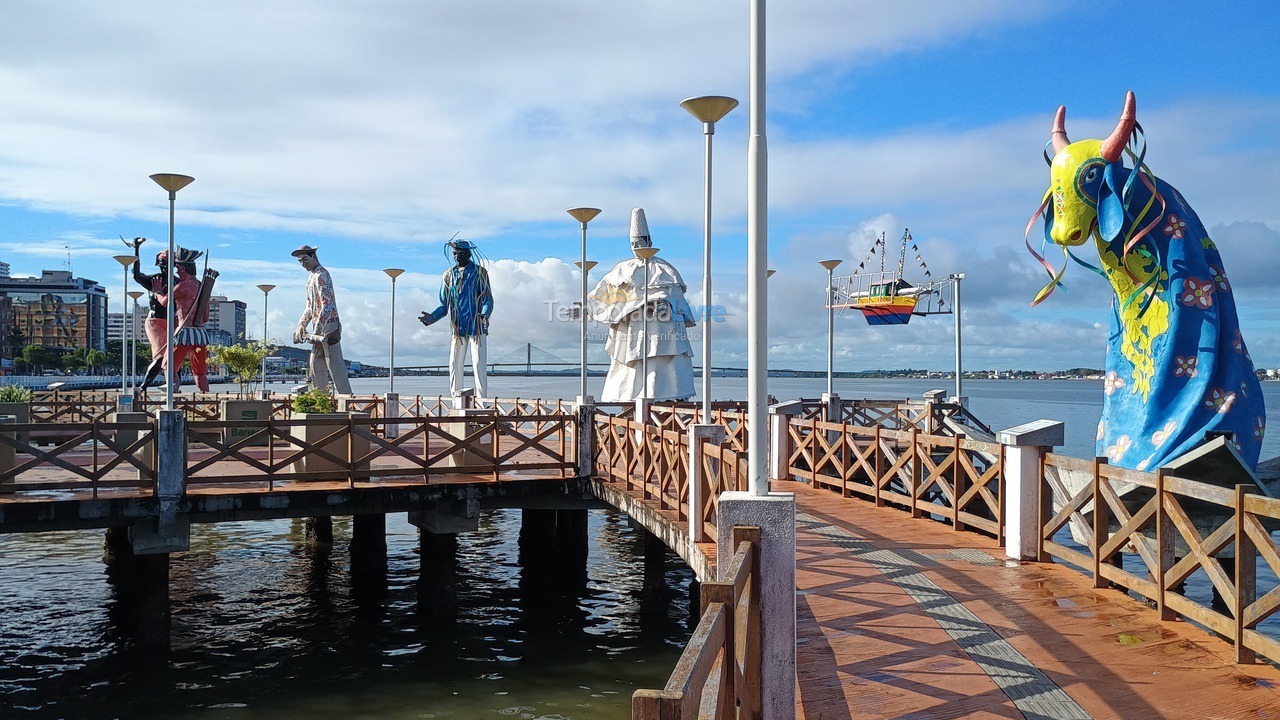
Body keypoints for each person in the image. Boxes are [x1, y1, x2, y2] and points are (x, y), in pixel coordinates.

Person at [585, 208, 696, 401]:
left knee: (662, 369)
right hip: (631, 332)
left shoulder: (665, 270)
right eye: (633, 244)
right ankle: (631, 406)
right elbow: (601, 297)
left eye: (639, 243)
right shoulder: (621, 270)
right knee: (632, 372)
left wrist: (664, 306)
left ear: (649, 242)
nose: (636, 247)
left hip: (661, 333)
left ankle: (663, 404)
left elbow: (678, 305)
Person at [418, 238, 493, 398]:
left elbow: (487, 299)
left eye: (459, 253)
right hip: (458, 328)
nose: (456, 256)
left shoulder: (479, 272)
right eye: (454, 253)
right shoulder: (448, 275)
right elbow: (444, 305)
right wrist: (432, 317)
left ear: (468, 254)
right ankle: (455, 401)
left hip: (476, 327)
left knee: (479, 364)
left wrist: (484, 314)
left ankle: (481, 403)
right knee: (454, 364)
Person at [292, 245, 353, 395]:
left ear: (313, 257)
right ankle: (321, 399)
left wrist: (318, 329)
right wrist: (301, 324)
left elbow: (327, 304)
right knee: (315, 365)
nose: (303, 264)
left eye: (305, 260)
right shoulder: (311, 277)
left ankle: (347, 400)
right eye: (300, 261)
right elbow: (310, 306)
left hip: (329, 326)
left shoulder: (322, 275)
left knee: (335, 365)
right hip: (318, 327)